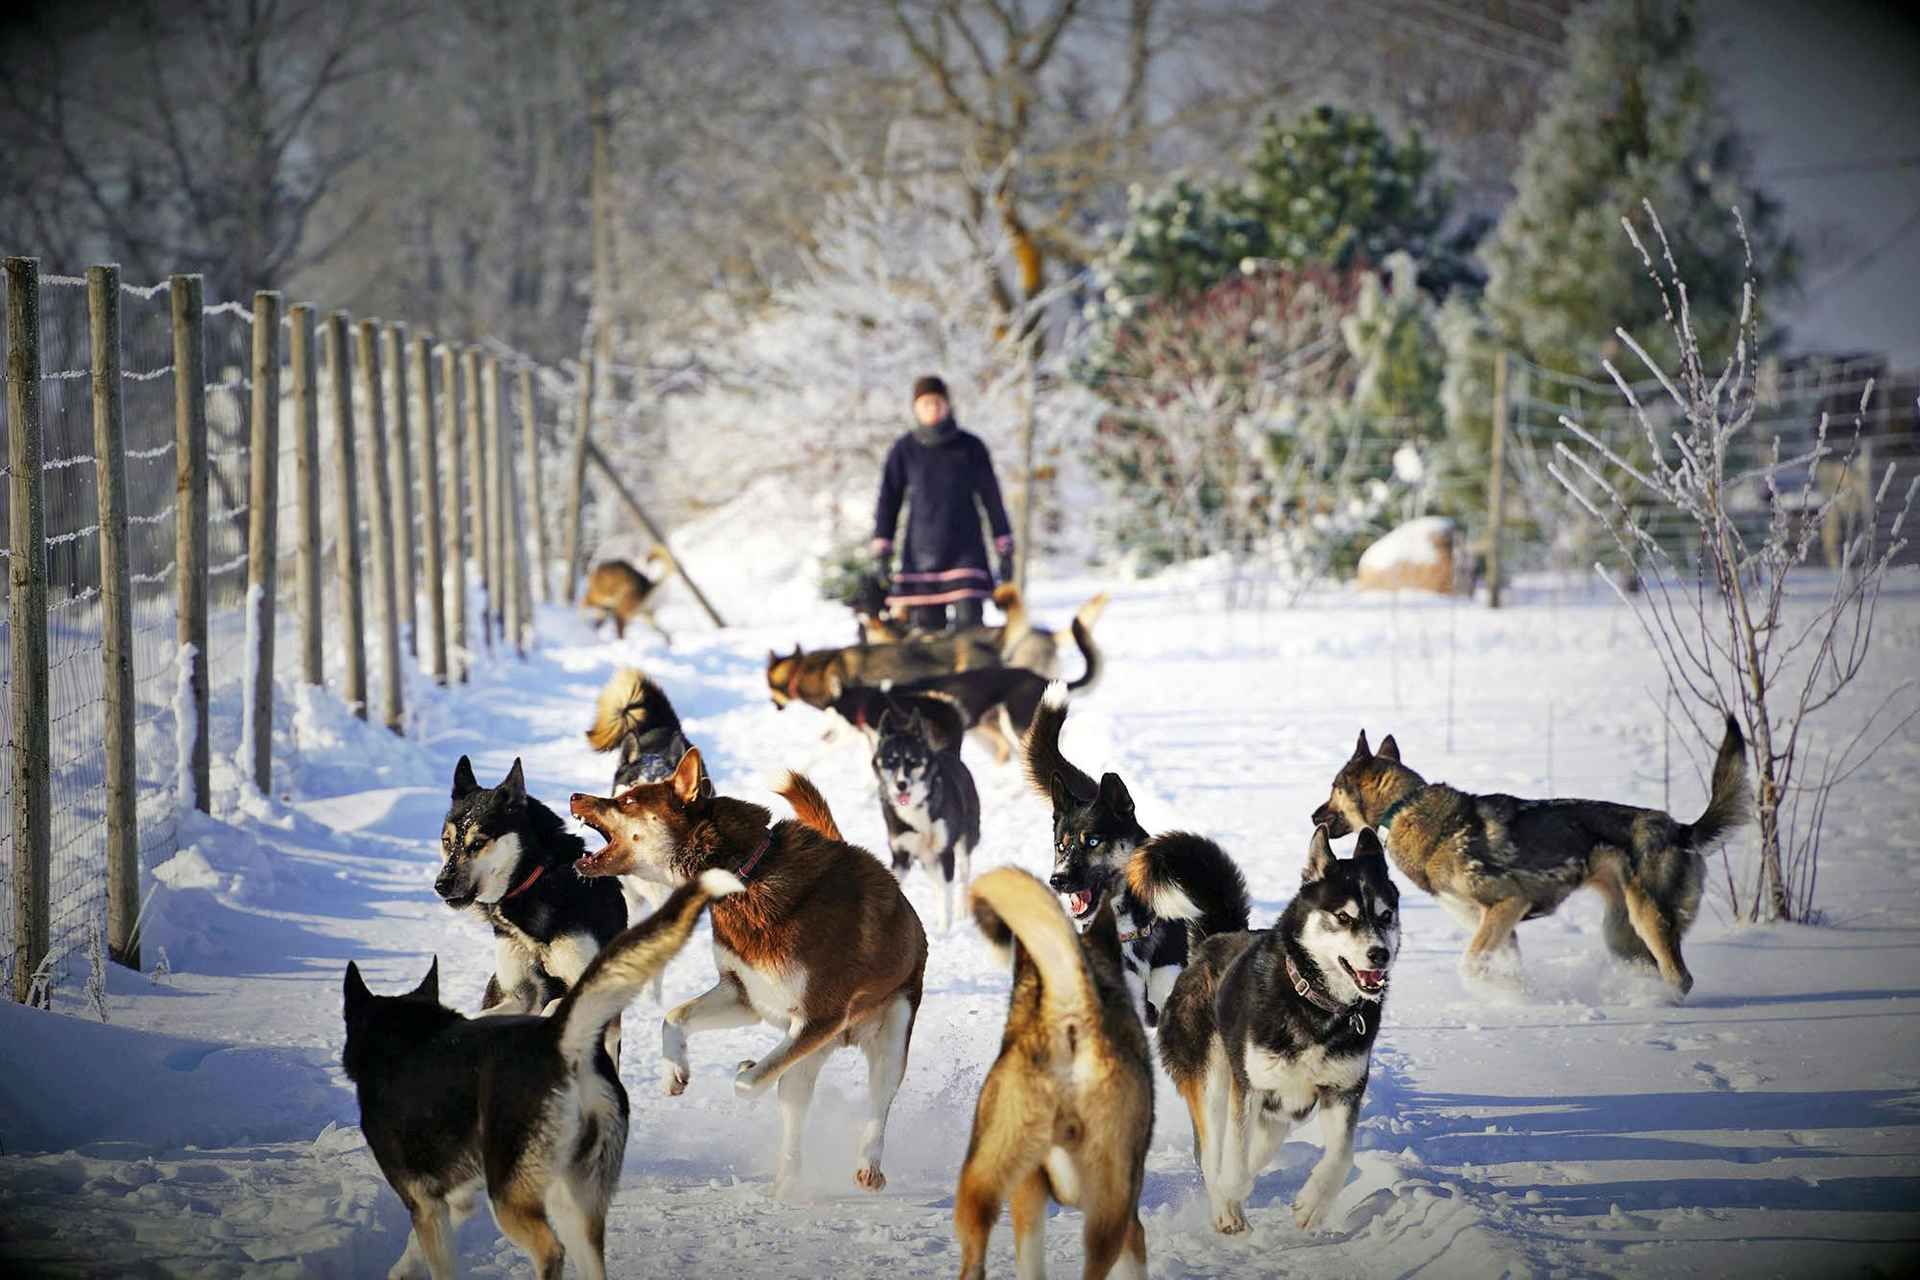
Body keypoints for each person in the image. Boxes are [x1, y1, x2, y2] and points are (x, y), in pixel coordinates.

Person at [871, 375, 1014, 632]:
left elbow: (991, 496)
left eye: (938, 402)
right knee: (929, 636)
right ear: (915, 408)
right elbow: (888, 500)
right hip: (921, 553)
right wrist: (883, 548)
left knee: (970, 631)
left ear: (947, 405)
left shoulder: (970, 446)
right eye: (926, 403)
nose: (933, 408)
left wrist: (1004, 545)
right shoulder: (904, 450)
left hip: (966, 549)